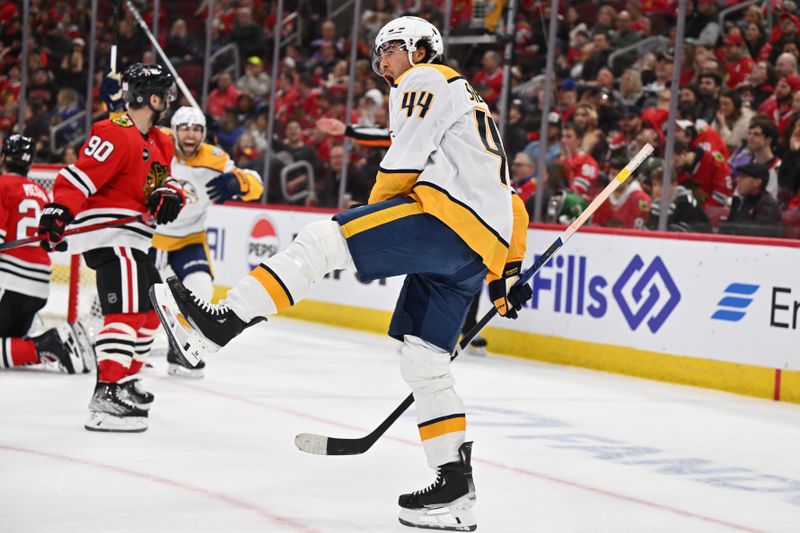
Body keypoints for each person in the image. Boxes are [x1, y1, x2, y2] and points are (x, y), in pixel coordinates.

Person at [152, 16, 531, 531]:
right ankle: (454, 488)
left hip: (444, 222)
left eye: (392, 50)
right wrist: (506, 273)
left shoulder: (424, 79)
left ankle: (219, 325)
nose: (384, 65)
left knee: (321, 241)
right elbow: (512, 204)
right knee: (424, 364)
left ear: (422, 48)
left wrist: (363, 220)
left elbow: (402, 162)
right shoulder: (466, 106)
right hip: (473, 250)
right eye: (379, 58)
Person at [37, 63, 186, 433]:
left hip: (135, 237)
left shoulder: (162, 141)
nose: (168, 101)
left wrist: (171, 195)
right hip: (109, 236)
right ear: (152, 97)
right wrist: (59, 210)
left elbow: (164, 186)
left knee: (152, 310)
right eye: (164, 94)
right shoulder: (115, 131)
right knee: (127, 311)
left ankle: (127, 378)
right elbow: (77, 176)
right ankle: (106, 393)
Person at [151, 106, 263, 378]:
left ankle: (181, 352)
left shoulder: (213, 157)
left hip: (189, 239)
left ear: (203, 133)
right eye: (185, 128)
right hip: (149, 237)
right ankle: (125, 346)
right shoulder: (158, 143)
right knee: (139, 299)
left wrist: (241, 184)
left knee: (200, 289)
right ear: (174, 130)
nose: (191, 134)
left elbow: (256, 183)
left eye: (197, 129)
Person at [0, 134, 92, 374]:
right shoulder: (42, 192)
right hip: (39, 288)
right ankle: (41, 345)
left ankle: (48, 345)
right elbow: (55, 241)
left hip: (8, 286)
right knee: (8, 346)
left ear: (3, 157)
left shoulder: (2, 185)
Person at [720, 162, 782, 237]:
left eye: (743, 177)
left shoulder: (767, 204)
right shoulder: (745, 200)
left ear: (757, 182)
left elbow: (757, 234)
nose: (738, 180)